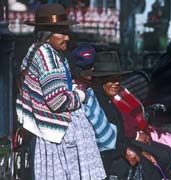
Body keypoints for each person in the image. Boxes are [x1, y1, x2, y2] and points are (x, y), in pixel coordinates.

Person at [16, 3, 106, 180]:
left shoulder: (38, 51)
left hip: (51, 134)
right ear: (47, 35)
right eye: (62, 33)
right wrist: (79, 94)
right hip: (59, 135)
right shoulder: (48, 57)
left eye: (67, 32)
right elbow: (57, 101)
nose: (67, 37)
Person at [72, 48, 171, 179]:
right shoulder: (95, 101)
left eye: (118, 78)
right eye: (110, 79)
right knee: (149, 169)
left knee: (165, 154)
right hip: (105, 158)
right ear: (98, 80)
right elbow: (100, 140)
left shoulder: (107, 100)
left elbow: (119, 135)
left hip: (119, 147)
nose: (116, 83)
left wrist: (138, 148)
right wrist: (126, 150)